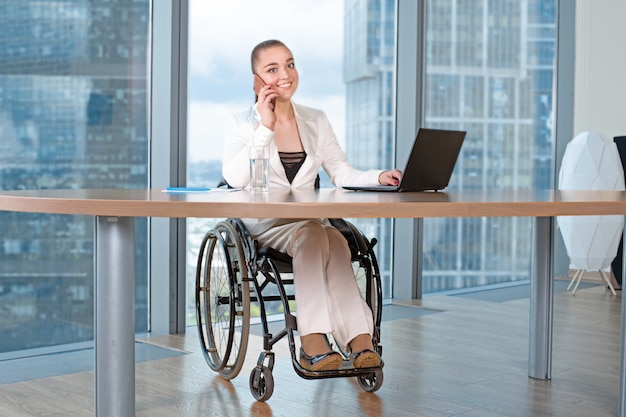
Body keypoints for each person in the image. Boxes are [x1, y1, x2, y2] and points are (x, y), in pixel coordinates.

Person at [222, 39, 402, 371]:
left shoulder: (315, 119)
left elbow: (341, 172)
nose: (285, 74)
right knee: (317, 234)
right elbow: (235, 179)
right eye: (272, 69)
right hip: (265, 222)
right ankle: (313, 338)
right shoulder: (242, 122)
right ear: (256, 81)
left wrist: (380, 177)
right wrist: (266, 126)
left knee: (332, 237)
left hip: (307, 222)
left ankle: (359, 339)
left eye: (289, 64)